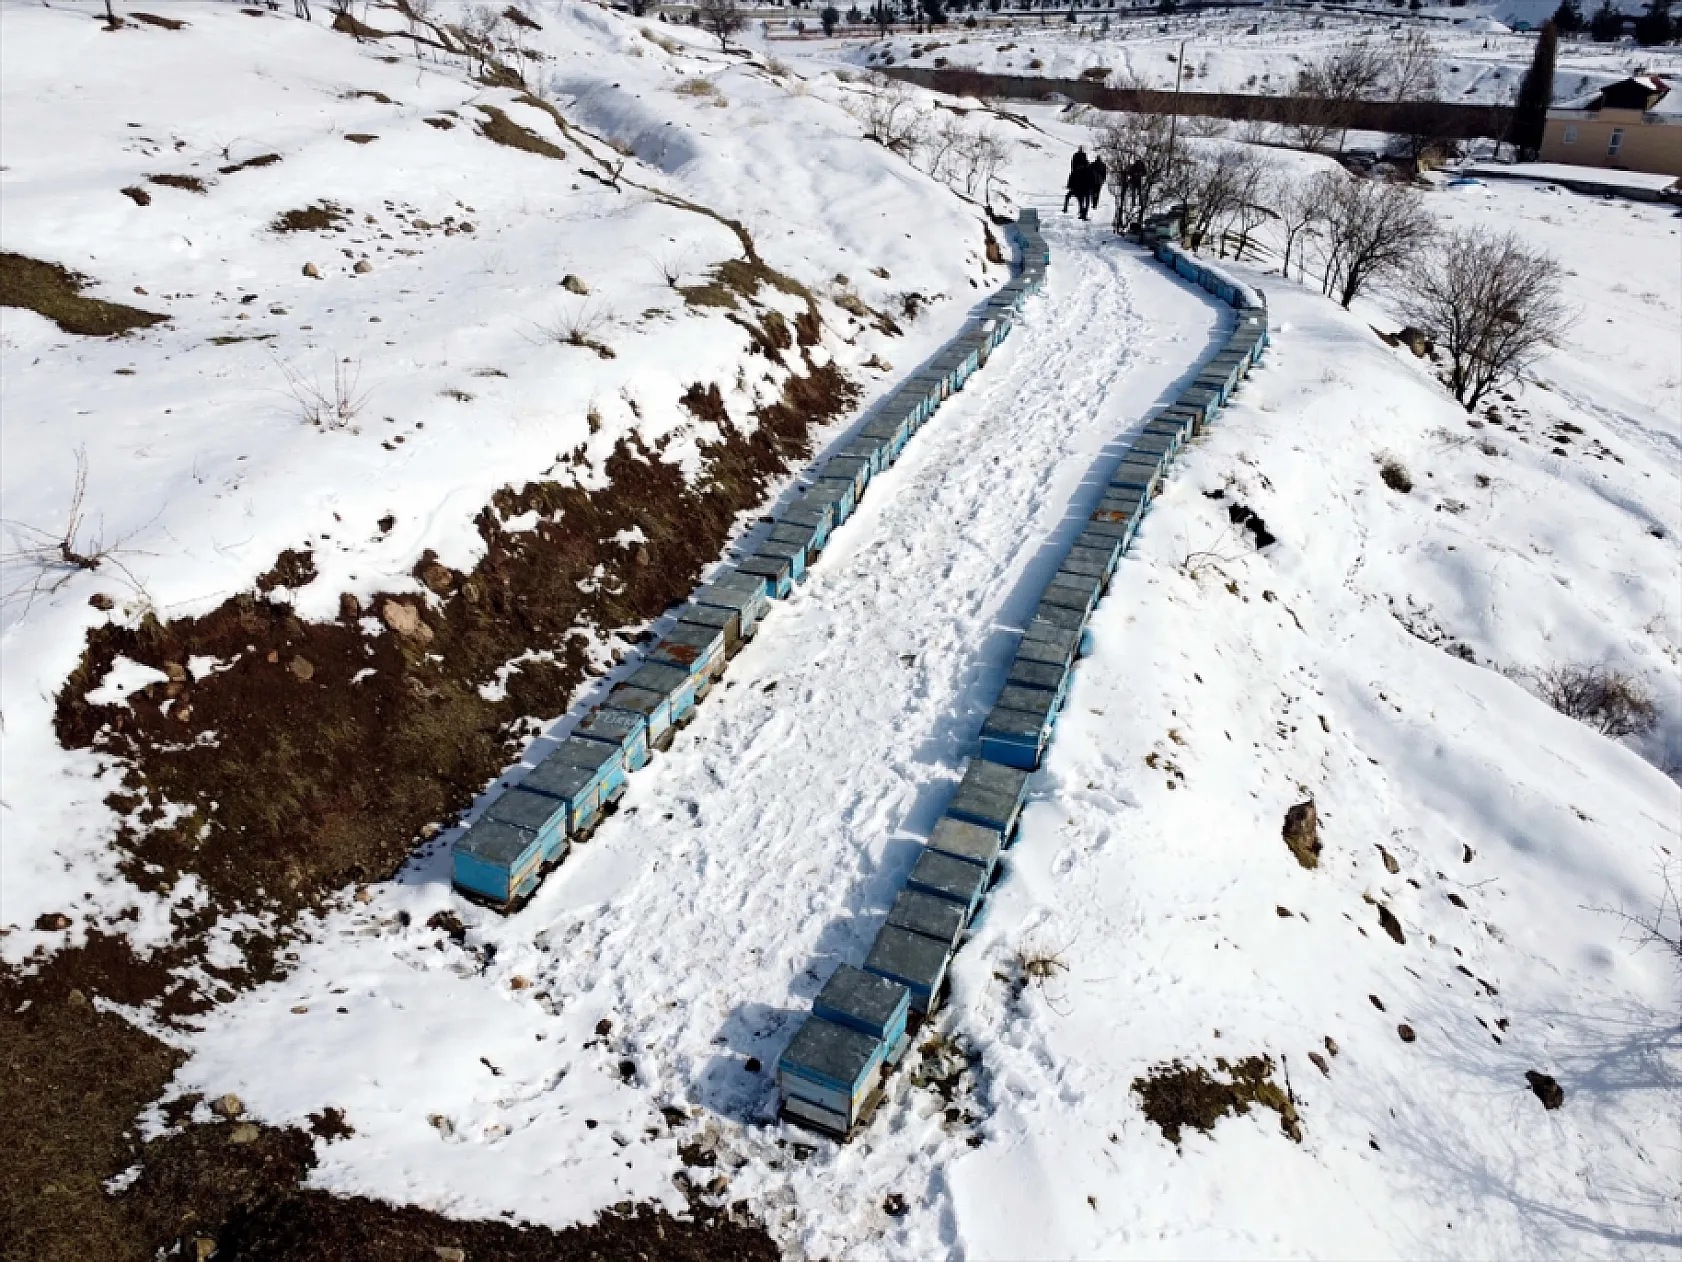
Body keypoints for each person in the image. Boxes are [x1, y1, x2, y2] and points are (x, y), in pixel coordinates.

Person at [1064, 148, 1090, 214]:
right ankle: (1065, 208)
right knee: (1073, 175)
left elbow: (1084, 162)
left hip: (1080, 170)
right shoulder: (1077, 155)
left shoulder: (1082, 155)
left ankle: (1066, 208)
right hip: (1078, 170)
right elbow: (1073, 162)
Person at [1082, 156, 1108, 220]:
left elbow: (1088, 170)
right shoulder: (1103, 165)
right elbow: (1104, 174)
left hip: (1093, 181)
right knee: (1097, 192)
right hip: (1099, 181)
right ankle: (1095, 204)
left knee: (1093, 192)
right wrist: (1103, 180)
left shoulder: (1093, 164)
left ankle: (1093, 203)